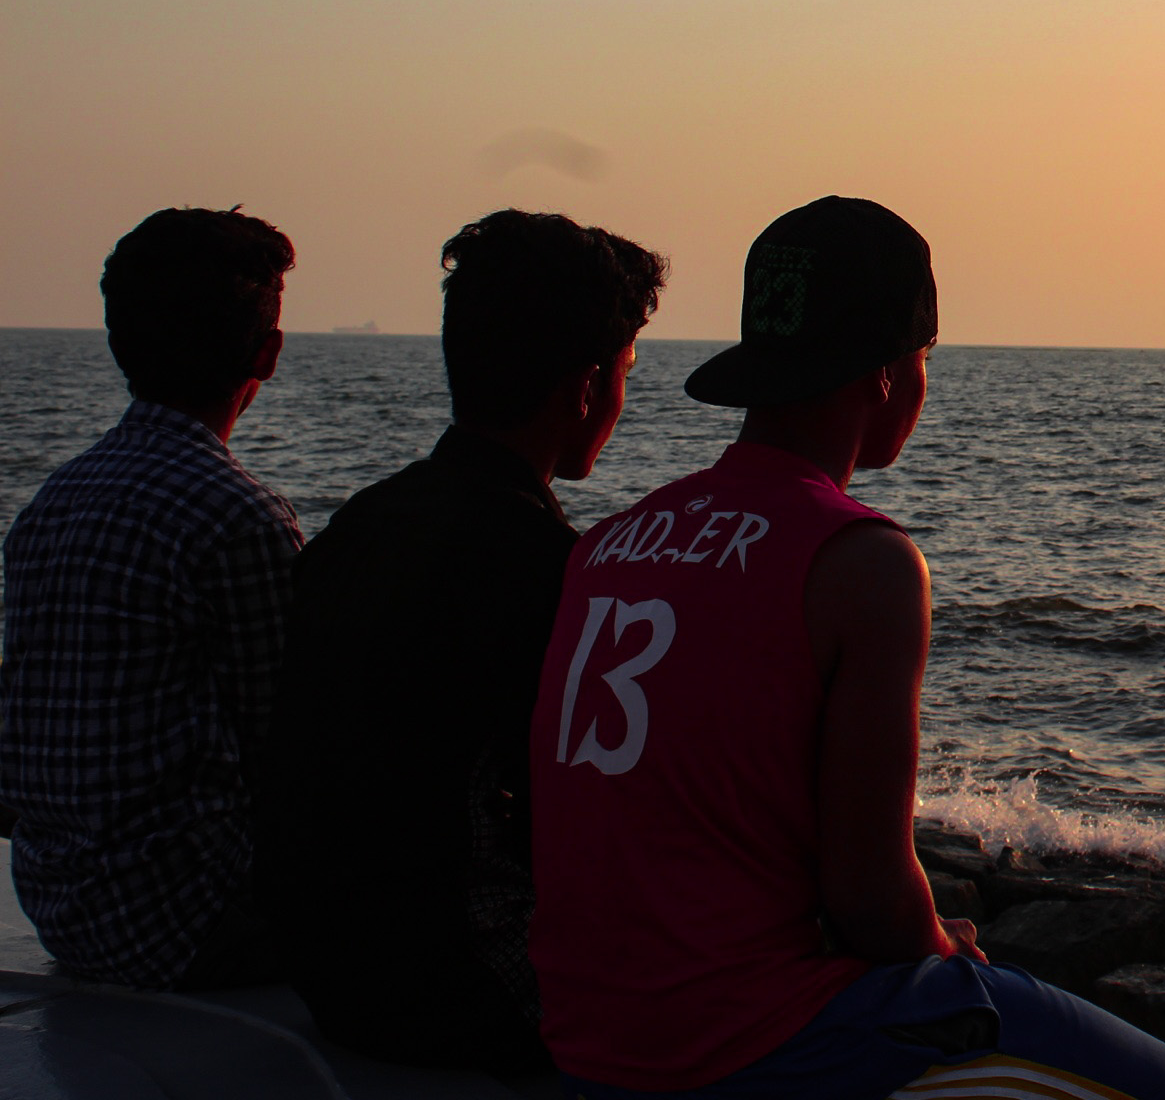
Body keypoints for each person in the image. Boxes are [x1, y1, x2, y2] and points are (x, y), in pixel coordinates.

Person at [527, 197, 1165, 1100]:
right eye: (925, 359)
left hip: (587, 1031)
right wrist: (944, 948)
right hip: (742, 1036)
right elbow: (870, 899)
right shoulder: (862, 561)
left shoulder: (608, 542)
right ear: (888, 374)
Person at [258, 210, 666, 1072]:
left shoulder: (358, 529)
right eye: (626, 372)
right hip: (460, 993)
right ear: (588, 388)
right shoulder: (556, 572)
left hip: (327, 974)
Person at [0, 207, 302, 990]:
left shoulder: (53, 502)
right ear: (266, 352)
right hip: (187, 920)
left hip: (60, 905)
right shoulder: (237, 515)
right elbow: (288, 743)